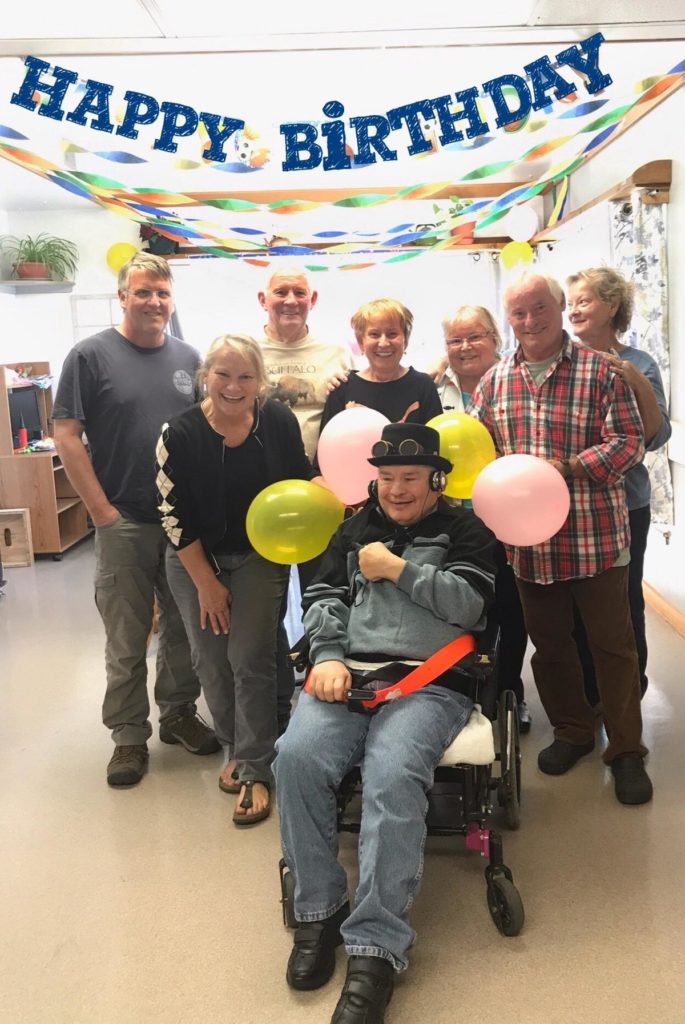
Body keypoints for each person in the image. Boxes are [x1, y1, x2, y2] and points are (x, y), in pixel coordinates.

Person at [274, 422, 496, 1023]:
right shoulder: (350, 529)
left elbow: (471, 607)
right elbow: (321, 600)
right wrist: (325, 656)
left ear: (436, 480)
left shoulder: (465, 530)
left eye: (410, 479)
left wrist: (398, 569)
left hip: (431, 681)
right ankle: (318, 911)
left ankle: (376, 946)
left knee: (393, 773)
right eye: (387, 478)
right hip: (350, 674)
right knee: (294, 758)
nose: (396, 491)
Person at [469, 272, 652, 805]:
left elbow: (628, 445)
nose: (530, 321)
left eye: (540, 308)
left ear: (558, 307)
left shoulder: (602, 372)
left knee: (613, 649)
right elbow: (478, 453)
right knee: (549, 649)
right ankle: (572, 731)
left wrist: (564, 469)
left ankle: (626, 751)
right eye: (519, 313)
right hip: (529, 547)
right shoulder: (494, 381)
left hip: (595, 539)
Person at [53, 253, 219, 789]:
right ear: (122, 297)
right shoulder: (89, 356)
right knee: (126, 634)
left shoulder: (189, 357)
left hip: (180, 525)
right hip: (122, 518)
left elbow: (204, 432)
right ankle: (128, 735)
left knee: (182, 628)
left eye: (162, 294)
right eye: (143, 292)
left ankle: (176, 714)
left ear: (172, 301)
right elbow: (66, 435)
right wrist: (101, 511)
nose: (153, 302)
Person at [156, 335, 317, 826]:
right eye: (223, 374)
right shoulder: (178, 433)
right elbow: (172, 513)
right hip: (192, 556)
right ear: (205, 376)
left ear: (261, 382)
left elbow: (298, 482)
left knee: (249, 657)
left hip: (258, 556)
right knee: (211, 659)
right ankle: (240, 742)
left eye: (245, 376)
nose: (233, 385)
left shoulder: (278, 421)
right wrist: (205, 581)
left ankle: (254, 766)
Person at [567, 267, 671, 700]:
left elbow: (655, 435)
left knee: (624, 602)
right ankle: (588, 692)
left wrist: (631, 377)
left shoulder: (641, 363)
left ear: (612, 306)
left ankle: (629, 690)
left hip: (626, 505)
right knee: (575, 607)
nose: (573, 310)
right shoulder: (563, 361)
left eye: (584, 301)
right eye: (570, 303)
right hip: (569, 506)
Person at [257, 266, 352, 729]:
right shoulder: (247, 350)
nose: (290, 299)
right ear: (264, 298)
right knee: (268, 602)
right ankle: (274, 703)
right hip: (263, 494)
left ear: (312, 299)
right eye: (281, 292)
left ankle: (324, 686)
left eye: (299, 292)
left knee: (324, 591)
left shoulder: (335, 353)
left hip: (321, 488)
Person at [438, 304, 531, 733]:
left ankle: (510, 691)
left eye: (474, 336)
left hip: (509, 517)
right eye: (455, 340)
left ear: (495, 338)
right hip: (454, 523)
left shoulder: (516, 382)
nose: (465, 346)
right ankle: (464, 693)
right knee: (461, 606)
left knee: (511, 609)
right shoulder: (434, 387)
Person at [317, 298, 442, 440]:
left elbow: (436, 448)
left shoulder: (423, 385)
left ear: (405, 340)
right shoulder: (342, 387)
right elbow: (327, 447)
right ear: (361, 342)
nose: (383, 343)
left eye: (392, 334)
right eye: (374, 334)